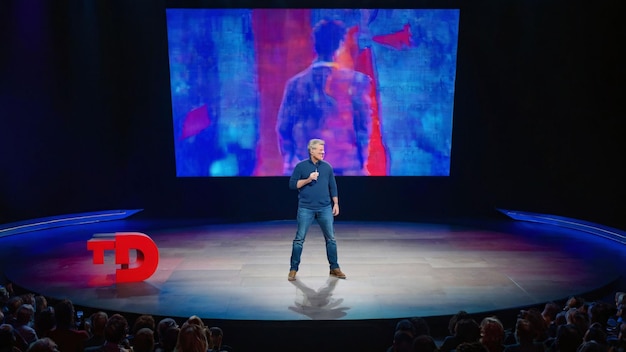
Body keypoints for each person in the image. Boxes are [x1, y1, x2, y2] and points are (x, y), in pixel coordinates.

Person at [276, 19, 373, 176]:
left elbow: (284, 129)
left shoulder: (295, 84)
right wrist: (361, 164)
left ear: (314, 45)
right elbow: (363, 128)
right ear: (341, 44)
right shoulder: (357, 82)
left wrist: (290, 163)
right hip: (347, 168)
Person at [287, 138, 345, 281]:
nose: (323, 152)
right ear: (311, 151)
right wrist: (308, 179)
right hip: (306, 208)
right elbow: (292, 185)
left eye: (323, 150)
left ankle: (334, 267)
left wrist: (336, 203)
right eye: (320, 150)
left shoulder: (327, 167)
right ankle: (293, 269)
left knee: (331, 239)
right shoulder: (301, 167)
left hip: (325, 207)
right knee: (299, 239)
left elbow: (333, 186)